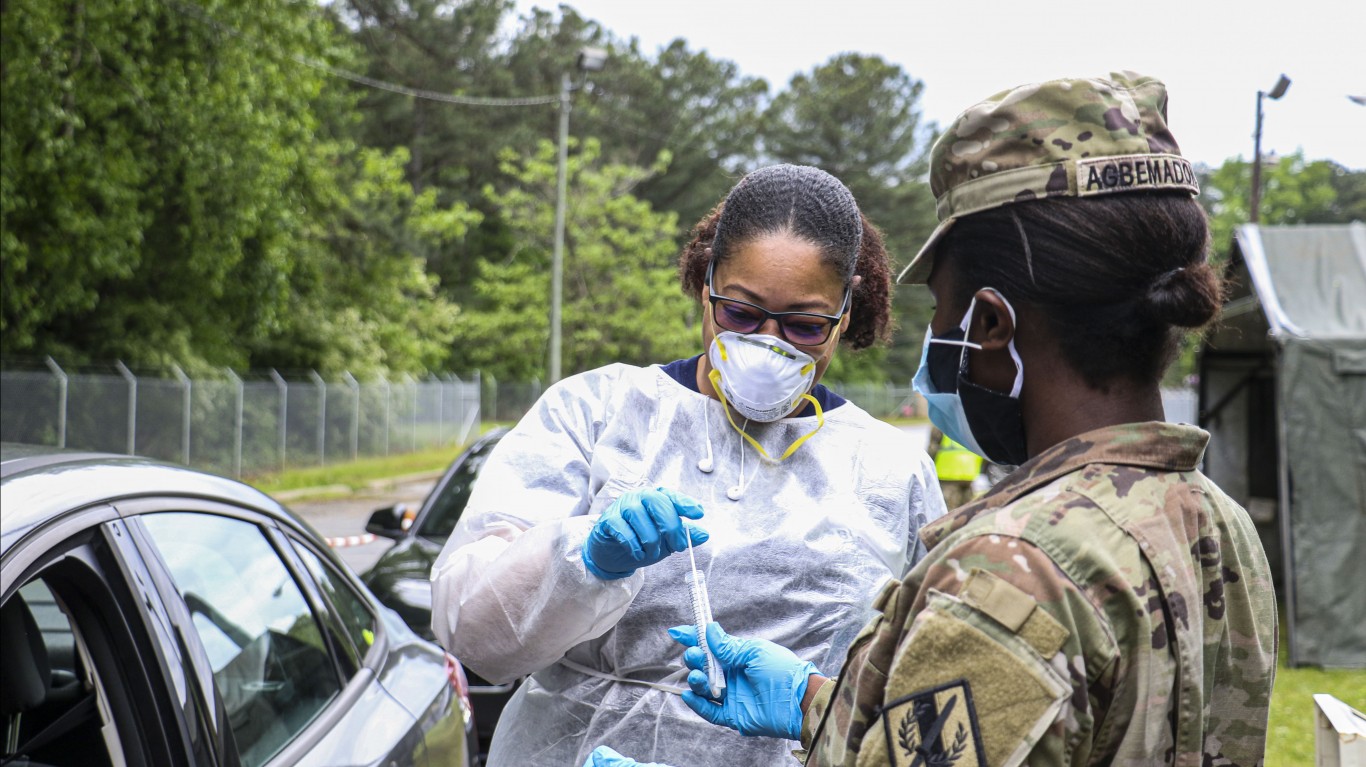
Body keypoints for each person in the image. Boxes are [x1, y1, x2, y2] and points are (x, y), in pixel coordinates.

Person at [586, 72, 1278, 767]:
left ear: (992, 324)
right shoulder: (1215, 524)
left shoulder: (1014, 570)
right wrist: (813, 703)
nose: (936, 334)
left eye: (942, 309)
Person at [430, 163, 947, 766]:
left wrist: (815, 703)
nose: (767, 344)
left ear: (846, 313)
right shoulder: (597, 412)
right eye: (742, 314)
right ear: (707, 284)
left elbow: (929, 692)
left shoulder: (890, 472)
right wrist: (582, 559)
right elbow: (472, 633)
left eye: (805, 326)